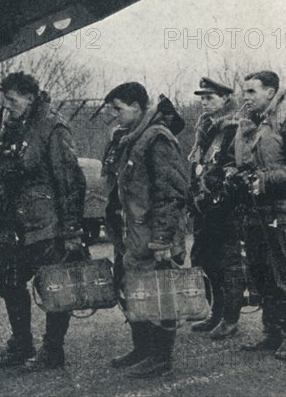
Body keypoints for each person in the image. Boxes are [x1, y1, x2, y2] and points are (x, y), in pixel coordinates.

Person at [0, 72, 86, 369]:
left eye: (12, 99)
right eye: (5, 99)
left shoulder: (52, 126)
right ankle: (22, 345)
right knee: (7, 280)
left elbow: (70, 180)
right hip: (13, 223)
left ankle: (53, 350)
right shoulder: (13, 125)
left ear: (30, 97)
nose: (7, 104)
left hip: (45, 223)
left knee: (54, 286)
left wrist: (71, 229)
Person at [103, 83, 189, 379]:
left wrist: (162, 240)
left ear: (138, 108)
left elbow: (171, 192)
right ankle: (142, 350)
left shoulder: (157, 139)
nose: (114, 115)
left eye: (118, 108)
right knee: (135, 290)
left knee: (158, 294)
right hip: (137, 233)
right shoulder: (132, 138)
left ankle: (160, 357)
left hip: (155, 235)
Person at [235, 71, 286, 360]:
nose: (245, 97)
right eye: (244, 92)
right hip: (255, 211)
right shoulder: (251, 125)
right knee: (261, 273)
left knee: (284, 275)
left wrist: (266, 180)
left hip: (282, 209)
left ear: (270, 92)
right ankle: (272, 332)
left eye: (251, 92)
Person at [188, 77, 245, 339]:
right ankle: (216, 312)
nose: (204, 103)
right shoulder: (206, 128)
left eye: (209, 98)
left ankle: (230, 319)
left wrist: (221, 193)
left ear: (224, 99)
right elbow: (199, 164)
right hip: (204, 208)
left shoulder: (234, 128)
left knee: (229, 264)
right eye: (202, 98)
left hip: (226, 208)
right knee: (204, 260)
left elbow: (235, 166)